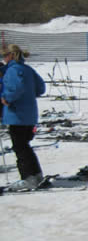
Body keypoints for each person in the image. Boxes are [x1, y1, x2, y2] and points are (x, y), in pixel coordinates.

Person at [0, 44, 46, 190]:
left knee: (20, 148)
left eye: (4, 56)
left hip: (16, 115)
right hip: (30, 114)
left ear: (11, 55)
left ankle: (28, 178)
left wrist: (7, 98)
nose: (4, 59)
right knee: (25, 146)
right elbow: (41, 88)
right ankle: (36, 174)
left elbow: (16, 88)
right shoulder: (27, 69)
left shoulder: (12, 70)